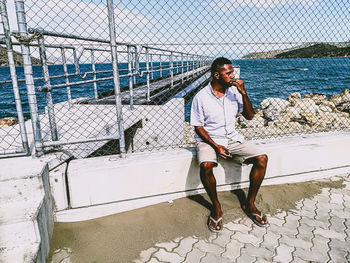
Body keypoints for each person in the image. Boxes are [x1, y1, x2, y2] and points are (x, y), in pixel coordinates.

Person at [190, 57, 268, 232]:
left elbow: (249, 116)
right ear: (217, 75)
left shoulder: (234, 93)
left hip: (232, 138)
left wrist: (244, 92)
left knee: (262, 159)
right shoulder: (201, 97)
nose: (233, 75)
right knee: (206, 165)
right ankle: (216, 207)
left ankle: (250, 204)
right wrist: (216, 146)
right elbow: (198, 127)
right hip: (209, 139)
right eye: (229, 72)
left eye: (232, 72)